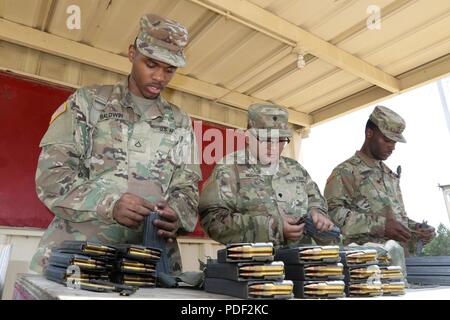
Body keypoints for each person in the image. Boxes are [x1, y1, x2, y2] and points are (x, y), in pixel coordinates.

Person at [30, 14, 201, 274]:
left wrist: (177, 213)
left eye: (169, 69)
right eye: (151, 64)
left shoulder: (180, 121)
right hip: (80, 256)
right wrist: (110, 203)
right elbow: (51, 177)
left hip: (151, 263)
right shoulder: (88, 103)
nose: (159, 77)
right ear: (132, 53)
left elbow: (187, 187)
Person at [199, 103, 336, 247]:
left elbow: (316, 202)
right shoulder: (229, 169)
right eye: (266, 139)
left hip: (301, 264)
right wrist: (272, 228)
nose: (274, 147)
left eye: (280, 140)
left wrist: (317, 214)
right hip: (255, 266)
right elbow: (212, 220)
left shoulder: (296, 169)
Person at [324, 105, 435, 272]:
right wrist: (380, 226)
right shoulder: (345, 172)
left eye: (395, 142)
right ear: (369, 133)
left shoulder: (389, 175)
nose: (392, 147)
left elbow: (395, 221)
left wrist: (416, 229)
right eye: (387, 140)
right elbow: (331, 216)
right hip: (366, 268)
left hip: (400, 266)